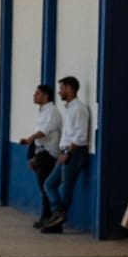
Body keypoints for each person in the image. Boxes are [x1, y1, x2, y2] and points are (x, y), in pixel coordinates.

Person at [40, 76, 90, 233]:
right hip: (65, 152)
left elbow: (81, 135)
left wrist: (68, 152)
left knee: (67, 187)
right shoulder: (69, 108)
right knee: (49, 184)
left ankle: (57, 220)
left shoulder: (79, 109)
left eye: (62, 88)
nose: (60, 91)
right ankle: (58, 213)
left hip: (74, 152)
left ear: (69, 89)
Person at [17, 84, 61, 228]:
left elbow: (44, 131)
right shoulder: (42, 112)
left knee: (46, 187)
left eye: (37, 93)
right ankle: (45, 216)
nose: (34, 96)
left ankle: (50, 216)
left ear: (45, 96)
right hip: (40, 153)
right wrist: (31, 156)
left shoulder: (52, 112)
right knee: (42, 187)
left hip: (49, 155)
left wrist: (30, 139)